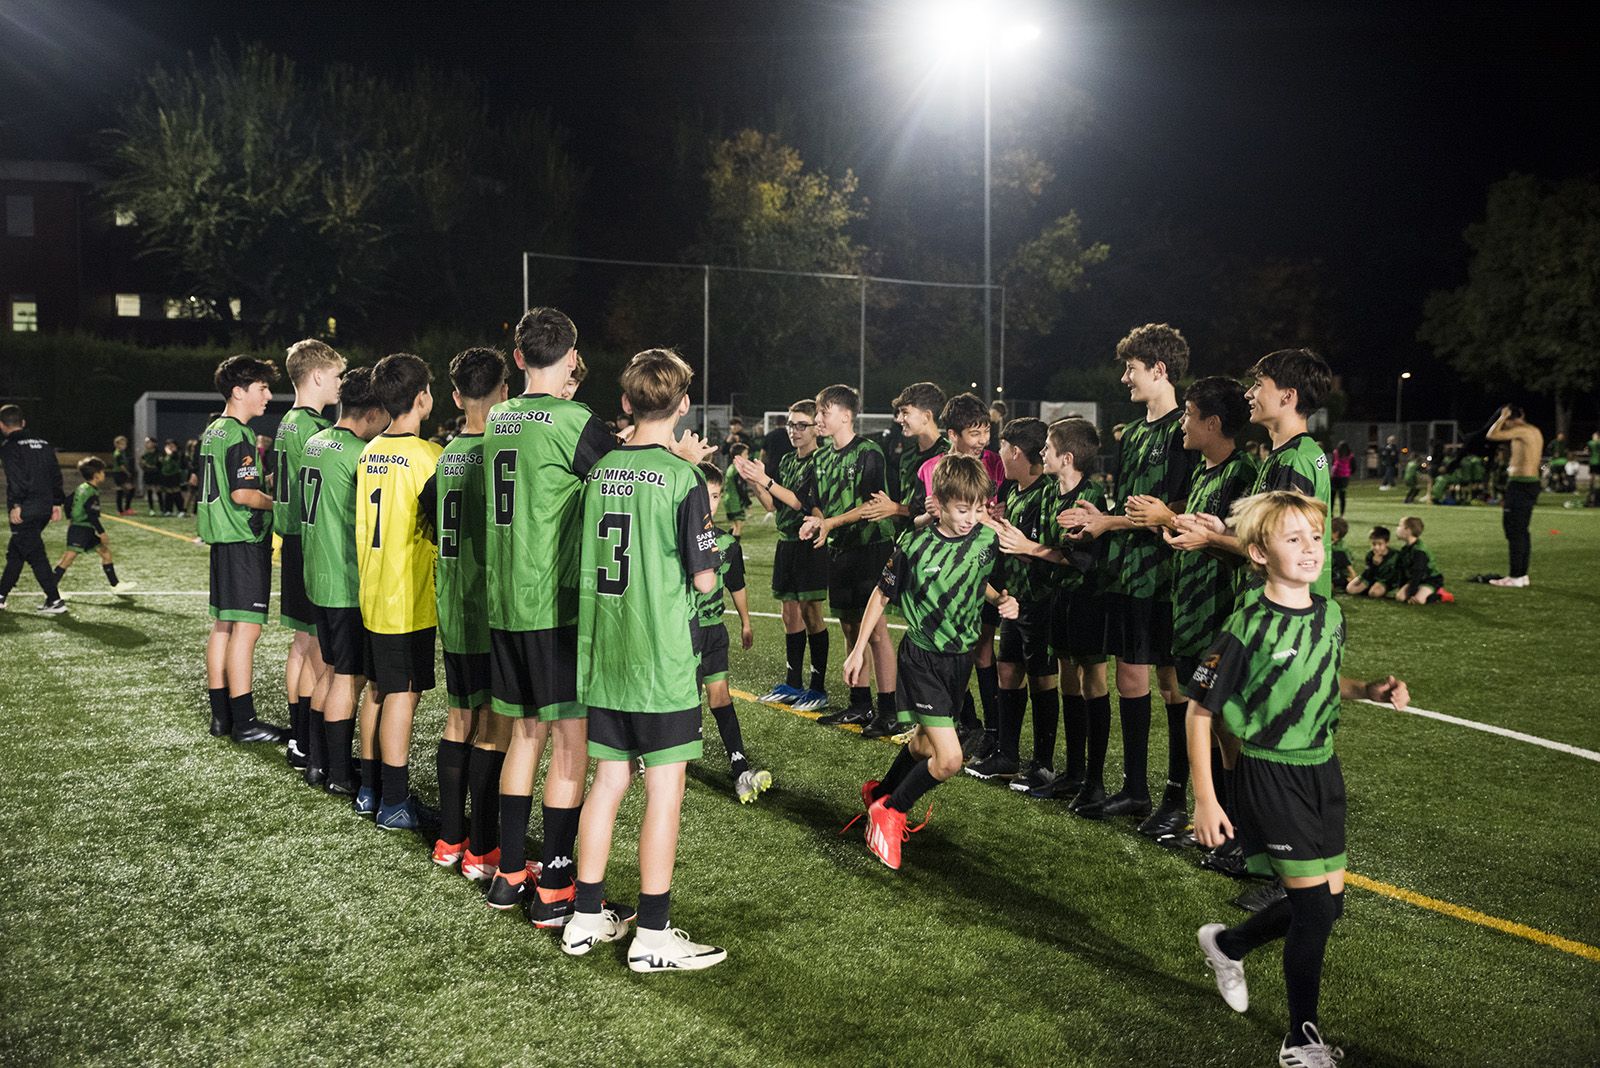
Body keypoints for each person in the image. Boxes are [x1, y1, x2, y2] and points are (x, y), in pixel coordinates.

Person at [1189, 490, 1409, 1068]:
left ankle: (1228, 944)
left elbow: (1324, 678)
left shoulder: (1331, 613)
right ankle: (1300, 1038)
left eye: (1315, 536)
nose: (1311, 549)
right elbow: (1200, 711)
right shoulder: (1245, 627)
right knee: (1313, 911)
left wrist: (1368, 690)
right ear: (1259, 552)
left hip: (1322, 769)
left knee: (1327, 906)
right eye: (1293, 539)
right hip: (1268, 774)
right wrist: (1207, 799)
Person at [563, 347, 724, 970]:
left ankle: (584, 915)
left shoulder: (599, 471)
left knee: (607, 783)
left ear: (625, 404)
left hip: (605, 651)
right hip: (659, 659)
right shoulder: (685, 480)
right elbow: (706, 581)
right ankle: (652, 934)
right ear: (683, 405)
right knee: (664, 789)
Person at [848, 454, 1019, 870]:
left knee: (924, 744)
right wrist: (858, 650)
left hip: (958, 662)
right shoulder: (914, 544)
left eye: (978, 508)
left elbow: (976, 581)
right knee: (948, 759)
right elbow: (881, 595)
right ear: (938, 502)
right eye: (962, 509)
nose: (971, 517)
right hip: (922, 657)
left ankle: (882, 792)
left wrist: (1001, 599)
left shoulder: (983, 540)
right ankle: (892, 811)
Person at [1063, 323, 1199, 822]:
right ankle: (1136, 789)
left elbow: (1181, 507)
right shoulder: (1137, 432)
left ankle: (1178, 796)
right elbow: (1130, 506)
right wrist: (1093, 523)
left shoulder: (1189, 428)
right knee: (1129, 679)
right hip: (1128, 574)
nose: (1125, 378)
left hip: (1168, 578)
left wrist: (1109, 522)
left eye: (1132, 368)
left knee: (1173, 684)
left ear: (1159, 370)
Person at [1123, 375, 1257, 840]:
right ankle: (1215, 820)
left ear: (1213, 423)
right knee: (1210, 723)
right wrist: (1170, 522)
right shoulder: (1203, 470)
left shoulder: (1243, 475)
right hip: (1189, 613)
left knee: (1226, 723)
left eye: (1190, 415)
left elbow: (1246, 546)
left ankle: (1240, 826)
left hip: (1219, 617)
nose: (1183, 421)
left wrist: (1168, 518)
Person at [996, 418, 1113, 808]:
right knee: (1068, 683)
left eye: (1047, 447)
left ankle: (1094, 782)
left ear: (1066, 457)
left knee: (1093, 682)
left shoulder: (1088, 497)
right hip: (1058, 600)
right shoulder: (1050, 495)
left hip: (1088, 599)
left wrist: (1028, 547)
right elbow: (1047, 545)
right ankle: (1074, 773)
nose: (1041, 453)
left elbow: (1078, 558)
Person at [432, 348, 513, 870]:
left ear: (456, 396)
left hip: (450, 603)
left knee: (458, 717)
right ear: (505, 391)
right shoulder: (499, 453)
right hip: (490, 609)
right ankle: (483, 849)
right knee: (494, 725)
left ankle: (449, 839)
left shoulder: (444, 455)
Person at [355, 353, 443, 830]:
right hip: (405, 595)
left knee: (378, 690)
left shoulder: (369, 449)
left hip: (372, 590)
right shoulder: (428, 457)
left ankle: (370, 789)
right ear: (422, 397)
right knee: (403, 696)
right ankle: (393, 801)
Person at [1177, 348, 1336, 600]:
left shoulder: (1294, 460)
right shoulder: (1290, 454)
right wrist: (1223, 531)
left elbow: (1278, 548)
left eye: (1259, 385)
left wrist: (1210, 539)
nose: (1249, 393)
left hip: (1284, 616)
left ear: (1287, 396)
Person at [300, 366, 389, 798]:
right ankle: (338, 771)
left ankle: (317, 762)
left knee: (331, 669)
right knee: (347, 678)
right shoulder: (359, 454)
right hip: (345, 578)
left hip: (317, 574)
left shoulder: (315, 442)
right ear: (371, 411)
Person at [906, 392, 1007, 749]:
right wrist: (929, 514)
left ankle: (991, 732)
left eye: (985, 433)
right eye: (975, 434)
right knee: (953, 649)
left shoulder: (995, 462)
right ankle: (963, 721)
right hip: (943, 574)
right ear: (953, 434)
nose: (982, 441)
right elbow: (913, 519)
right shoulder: (930, 469)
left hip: (982, 565)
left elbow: (1004, 506)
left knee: (981, 649)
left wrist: (995, 516)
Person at [799, 383, 898, 735]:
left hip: (871, 546)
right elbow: (815, 500)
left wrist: (830, 522)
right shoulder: (822, 457)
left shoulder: (869, 452)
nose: (818, 419)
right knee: (849, 625)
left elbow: (873, 505)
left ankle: (889, 709)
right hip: (841, 549)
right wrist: (817, 520)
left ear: (845, 415)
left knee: (876, 631)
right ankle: (860, 704)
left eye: (823, 412)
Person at [197, 356, 285, 743]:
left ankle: (222, 718)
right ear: (239, 391)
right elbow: (243, 493)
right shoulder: (239, 433)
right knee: (246, 631)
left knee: (223, 627)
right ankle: (245, 722)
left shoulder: (213, 429)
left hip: (222, 540)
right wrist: (276, 501)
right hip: (243, 541)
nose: (268, 395)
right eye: (262, 387)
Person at [970, 417, 1059, 788]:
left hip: (1040, 601)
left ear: (1017, 452)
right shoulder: (1018, 491)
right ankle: (1007, 753)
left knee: (1041, 678)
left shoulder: (1047, 493)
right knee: (1008, 671)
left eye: (1004, 448)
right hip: (1012, 598)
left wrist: (992, 527)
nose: (999, 455)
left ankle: (1042, 763)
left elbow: (1041, 550)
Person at [272, 339, 345, 775]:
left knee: (301, 645)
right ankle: (308, 741)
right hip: (309, 540)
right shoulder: (313, 428)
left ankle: (299, 738)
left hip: (292, 538)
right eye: (335, 376)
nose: (338, 384)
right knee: (315, 647)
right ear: (316, 376)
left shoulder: (287, 422)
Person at [737, 400, 830, 713]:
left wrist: (767, 481)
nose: (795, 431)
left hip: (809, 543)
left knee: (810, 612)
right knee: (788, 614)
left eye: (801, 425)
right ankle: (793, 682)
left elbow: (799, 503)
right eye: (791, 425)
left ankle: (817, 686)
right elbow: (772, 505)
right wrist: (754, 481)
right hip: (786, 542)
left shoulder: (822, 460)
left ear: (817, 427)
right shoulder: (789, 459)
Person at [693, 461, 770, 802]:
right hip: (681, 634)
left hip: (713, 632)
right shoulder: (677, 536)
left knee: (720, 697)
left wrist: (747, 621)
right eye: (703, 495)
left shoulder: (726, 543)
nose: (710, 503)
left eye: (715, 495)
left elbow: (735, 584)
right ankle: (651, 756)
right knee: (681, 701)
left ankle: (740, 768)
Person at [0, 404, 68, 614]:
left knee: (35, 554)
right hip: (44, 507)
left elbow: (16, 479)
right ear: (23, 422)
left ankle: (55, 600)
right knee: (18, 552)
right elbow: (56, 475)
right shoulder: (45, 444)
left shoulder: (10, 447)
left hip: (26, 507)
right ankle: (1, 595)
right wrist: (57, 503)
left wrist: (16, 505)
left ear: (2, 425)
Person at [52, 457, 135, 594]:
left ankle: (115, 585)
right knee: (68, 559)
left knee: (105, 553)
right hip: (81, 530)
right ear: (96, 475)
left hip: (83, 528)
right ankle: (51, 589)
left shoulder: (82, 487)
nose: (104, 474)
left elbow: (67, 502)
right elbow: (92, 516)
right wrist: (102, 533)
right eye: (102, 472)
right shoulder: (91, 492)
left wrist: (71, 519)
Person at [1486, 405, 1544, 588]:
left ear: (1511, 419)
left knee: (1514, 531)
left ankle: (1516, 576)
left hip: (1520, 484)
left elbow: (1492, 434)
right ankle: (1522, 575)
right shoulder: (1534, 430)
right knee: (1522, 532)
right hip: (1530, 483)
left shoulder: (1521, 430)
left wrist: (1501, 417)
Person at [1391, 516, 1446, 604]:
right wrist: (1401, 588)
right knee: (1400, 597)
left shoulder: (1419, 552)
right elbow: (1401, 571)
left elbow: (1418, 573)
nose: (1397, 529)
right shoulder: (1405, 549)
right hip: (1416, 580)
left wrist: (1411, 593)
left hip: (1430, 580)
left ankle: (1442, 595)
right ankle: (1420, 591)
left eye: (1399, 525)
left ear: (1408, 530)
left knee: (1419, 600)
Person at [1344, 526, 1397, 599]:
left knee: (1374, 593)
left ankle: (1383, 590)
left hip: (1385, 581)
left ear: (1387, 543)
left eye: (1380, 544)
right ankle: (1370, 588)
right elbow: (1367, 574)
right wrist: (1374, 565)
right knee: (1350, 589)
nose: (1376, 547)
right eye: (1374, 544)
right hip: (1371, 578)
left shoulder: (1395, 555)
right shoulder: (1370, 555)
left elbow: (1395, 575)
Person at [721, 441, 752, 537]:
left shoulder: (732, 467)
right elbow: (740, 488)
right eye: (745, 454)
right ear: (738, 456)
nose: (747, 457)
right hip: (734, 501)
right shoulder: (737, 470)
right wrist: (747, 501)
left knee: (734, 525)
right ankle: (733, 550)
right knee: (738, 526)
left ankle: (725, 546)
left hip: (728, 499)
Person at [111, 435, 136, 515]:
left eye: (125, 444)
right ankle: (125, 508)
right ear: (117, 445)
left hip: (119, 473)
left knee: (121, 491)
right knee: (130, 489)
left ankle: (121, 510)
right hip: (119, 473)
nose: (124, 446)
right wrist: (127, 473)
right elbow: (121, 466)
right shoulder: (118, 454)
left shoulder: (121, 453)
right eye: (122, 444)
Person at [1328, 517, 1353, 591]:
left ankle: (1347, 581)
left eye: (1332, 539)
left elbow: (1347, 564)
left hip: (1338, 572)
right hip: (1329, 569)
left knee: (1329, 586)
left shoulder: (1341, 549)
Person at [1329, 442, 1353, 516]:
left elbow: (1333, 462)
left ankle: (1331, 512)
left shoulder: (1336, 453)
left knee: (1332, 496)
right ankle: (1342, 514)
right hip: (1344, 477)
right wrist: (1348, 473)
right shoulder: (1350, 455)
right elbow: (1353, 466)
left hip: (1335, 476)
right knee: (1342, 497)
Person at [139, 437, 161, 514]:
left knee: (158, 490)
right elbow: (142, 465)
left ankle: (162, 508)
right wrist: (142, 464)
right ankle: (151, 509)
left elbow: (158, 465)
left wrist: (149, 466)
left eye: (149, 442)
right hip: (148, 474)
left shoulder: (158, 454)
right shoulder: (145, 454)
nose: (147, 444)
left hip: (156, 474)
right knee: (149, 490)